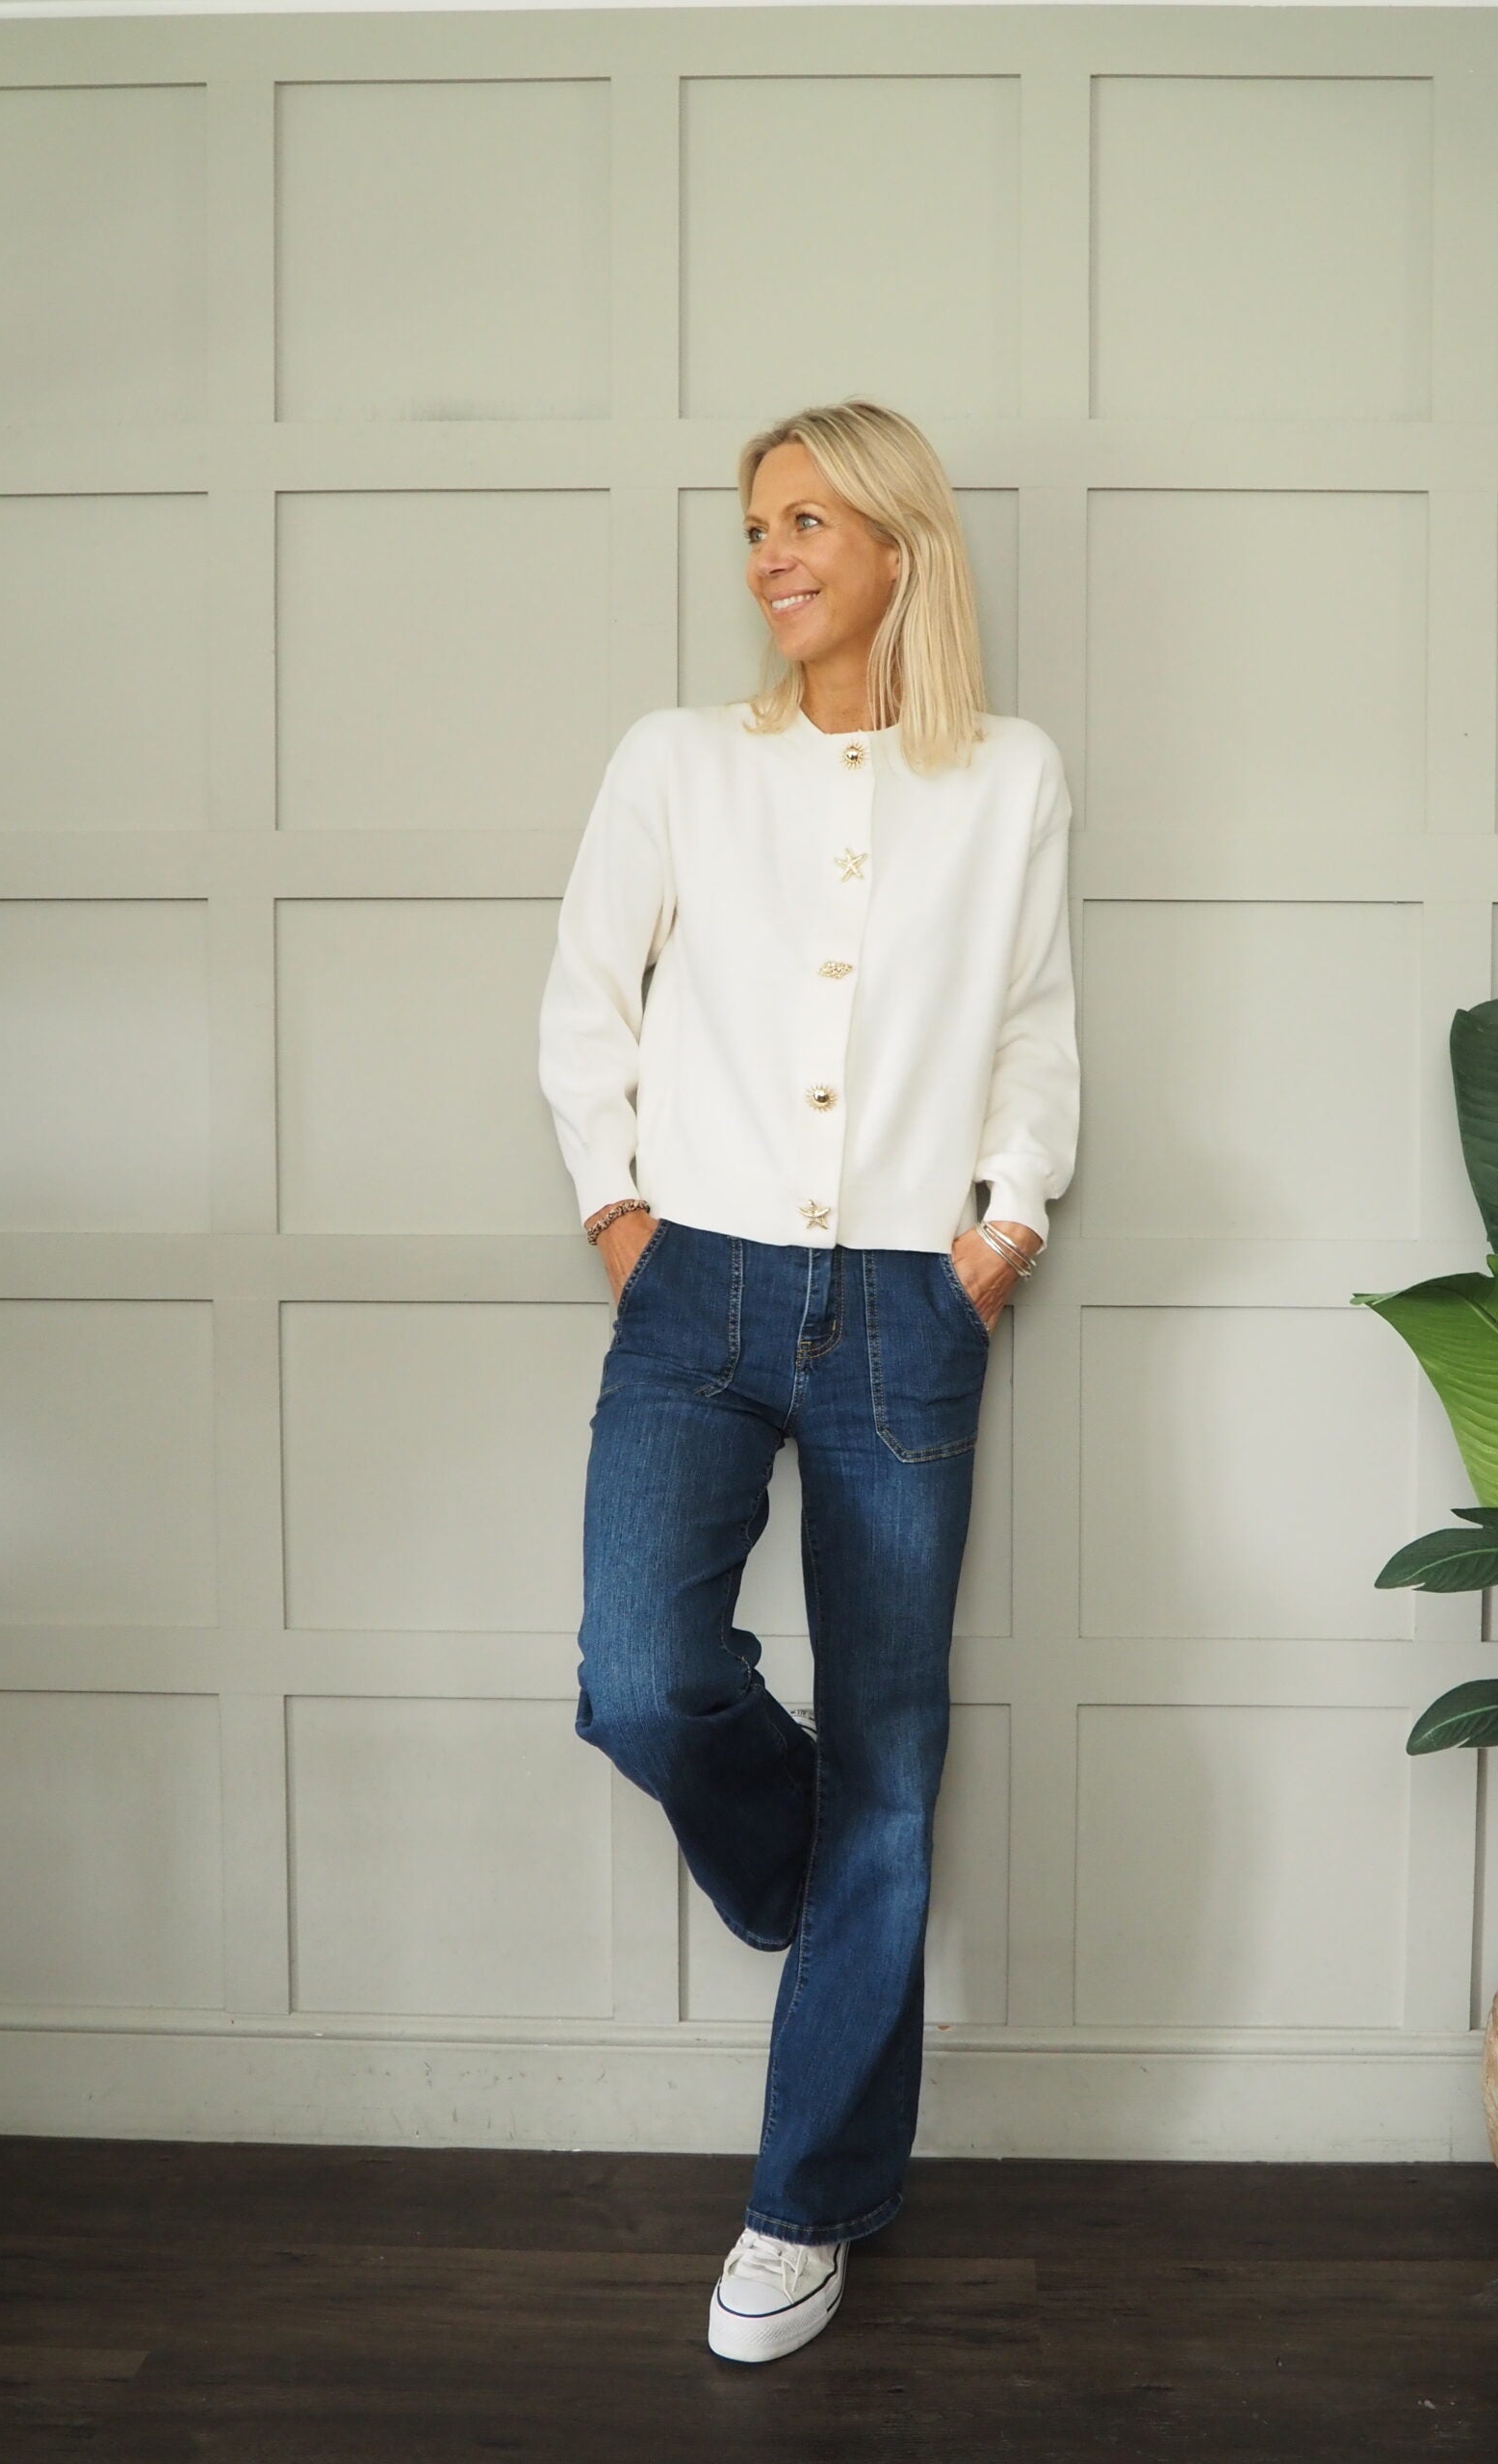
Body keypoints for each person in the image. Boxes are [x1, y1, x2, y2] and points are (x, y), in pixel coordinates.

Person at [536, 398, 1079, 2365]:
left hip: (912, 1301)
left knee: (894, 1746)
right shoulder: (678, 761)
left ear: (899, 547)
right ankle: (815, 1871)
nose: (769, 555)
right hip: (695, 1283)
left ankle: (808, 2203)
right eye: (757, 525)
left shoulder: (1009, 776)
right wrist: (623, 1216)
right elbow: (585, 1004)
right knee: (639, 1672)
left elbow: (1033, 1028)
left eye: (808, 522)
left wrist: (1003, 1228)